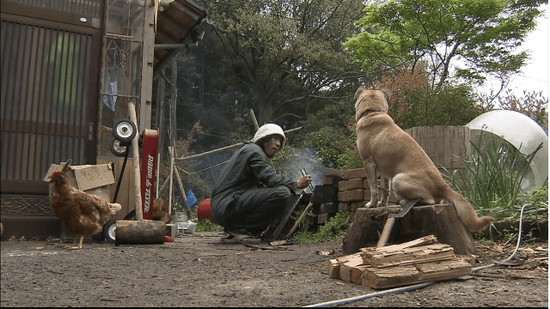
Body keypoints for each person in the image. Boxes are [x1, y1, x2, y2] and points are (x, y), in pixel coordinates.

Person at [210, 123, 312, 242]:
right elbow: (271, 179)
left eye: (280, 142)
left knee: (279, 191)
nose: (278, 145)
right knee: (282, 193)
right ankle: (242, 230)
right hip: (226, 205)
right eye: (275, 139)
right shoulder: (254, 151)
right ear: (264, 138)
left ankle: (239, 228)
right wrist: (296, 184)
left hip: (225, 205)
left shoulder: (250, 151)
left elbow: (265, 184)